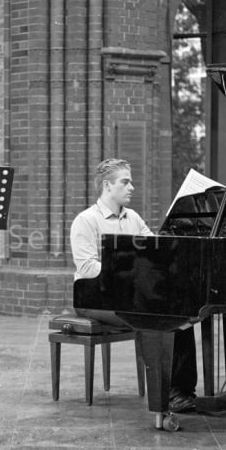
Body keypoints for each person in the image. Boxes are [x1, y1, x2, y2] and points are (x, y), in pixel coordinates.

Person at [69, 158, 197, 413]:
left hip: (130, 294)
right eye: (125, 182)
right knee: (150, 316)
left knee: (180, 315)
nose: (132, 187)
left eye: (131, 181)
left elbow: (155, 252)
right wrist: (129, 273)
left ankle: (183, 391)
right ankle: (165, 394)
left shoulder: (134, 218)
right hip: (94, 299)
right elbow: (86, 269)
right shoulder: (85, 221)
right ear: (107, 186)